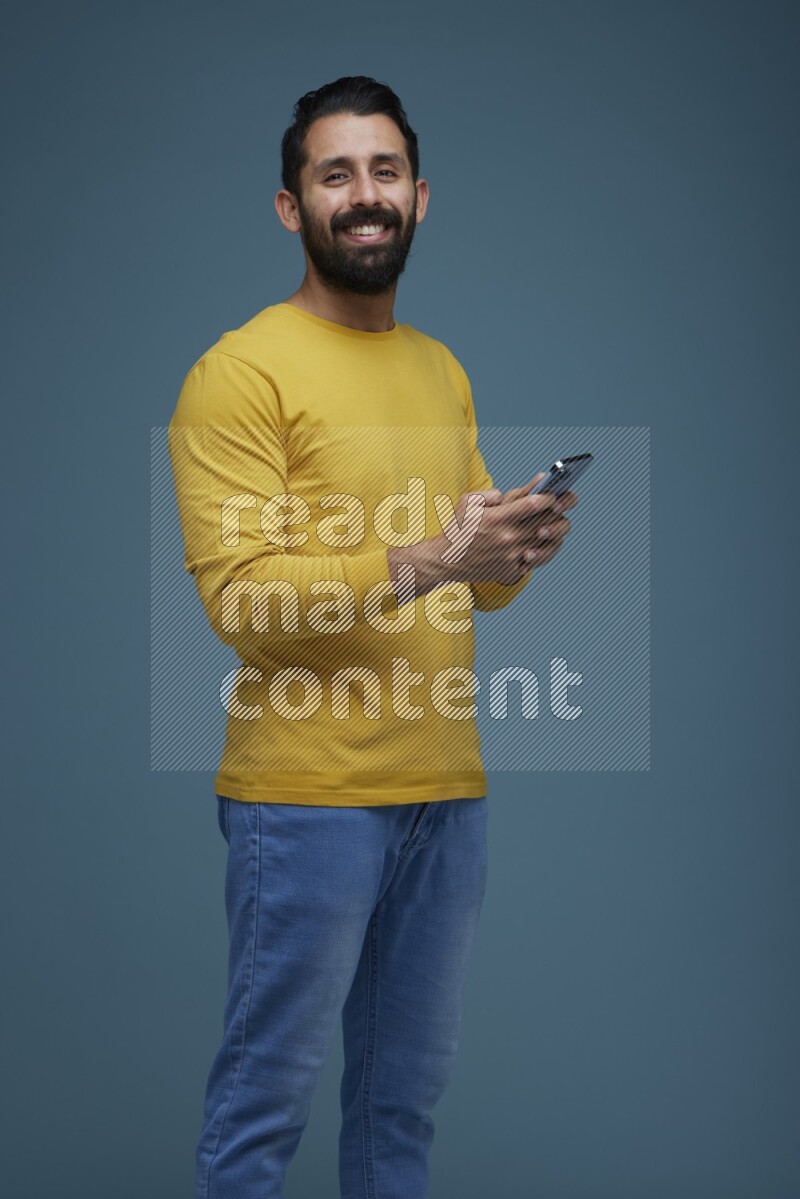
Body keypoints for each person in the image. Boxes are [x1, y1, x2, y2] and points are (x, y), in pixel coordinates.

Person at [168, 74, 576, 1199]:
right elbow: (242, 602)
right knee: (263, 1107)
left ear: (418, 197)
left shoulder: (438, 367)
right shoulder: (239, 372)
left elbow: (469, 591)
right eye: (334, 173)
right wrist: (431, 556)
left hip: (444, 794)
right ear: (290, 206)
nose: (363, 194)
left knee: (400, 1114)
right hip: (306, 801)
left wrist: (510, 549)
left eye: (384, 171)